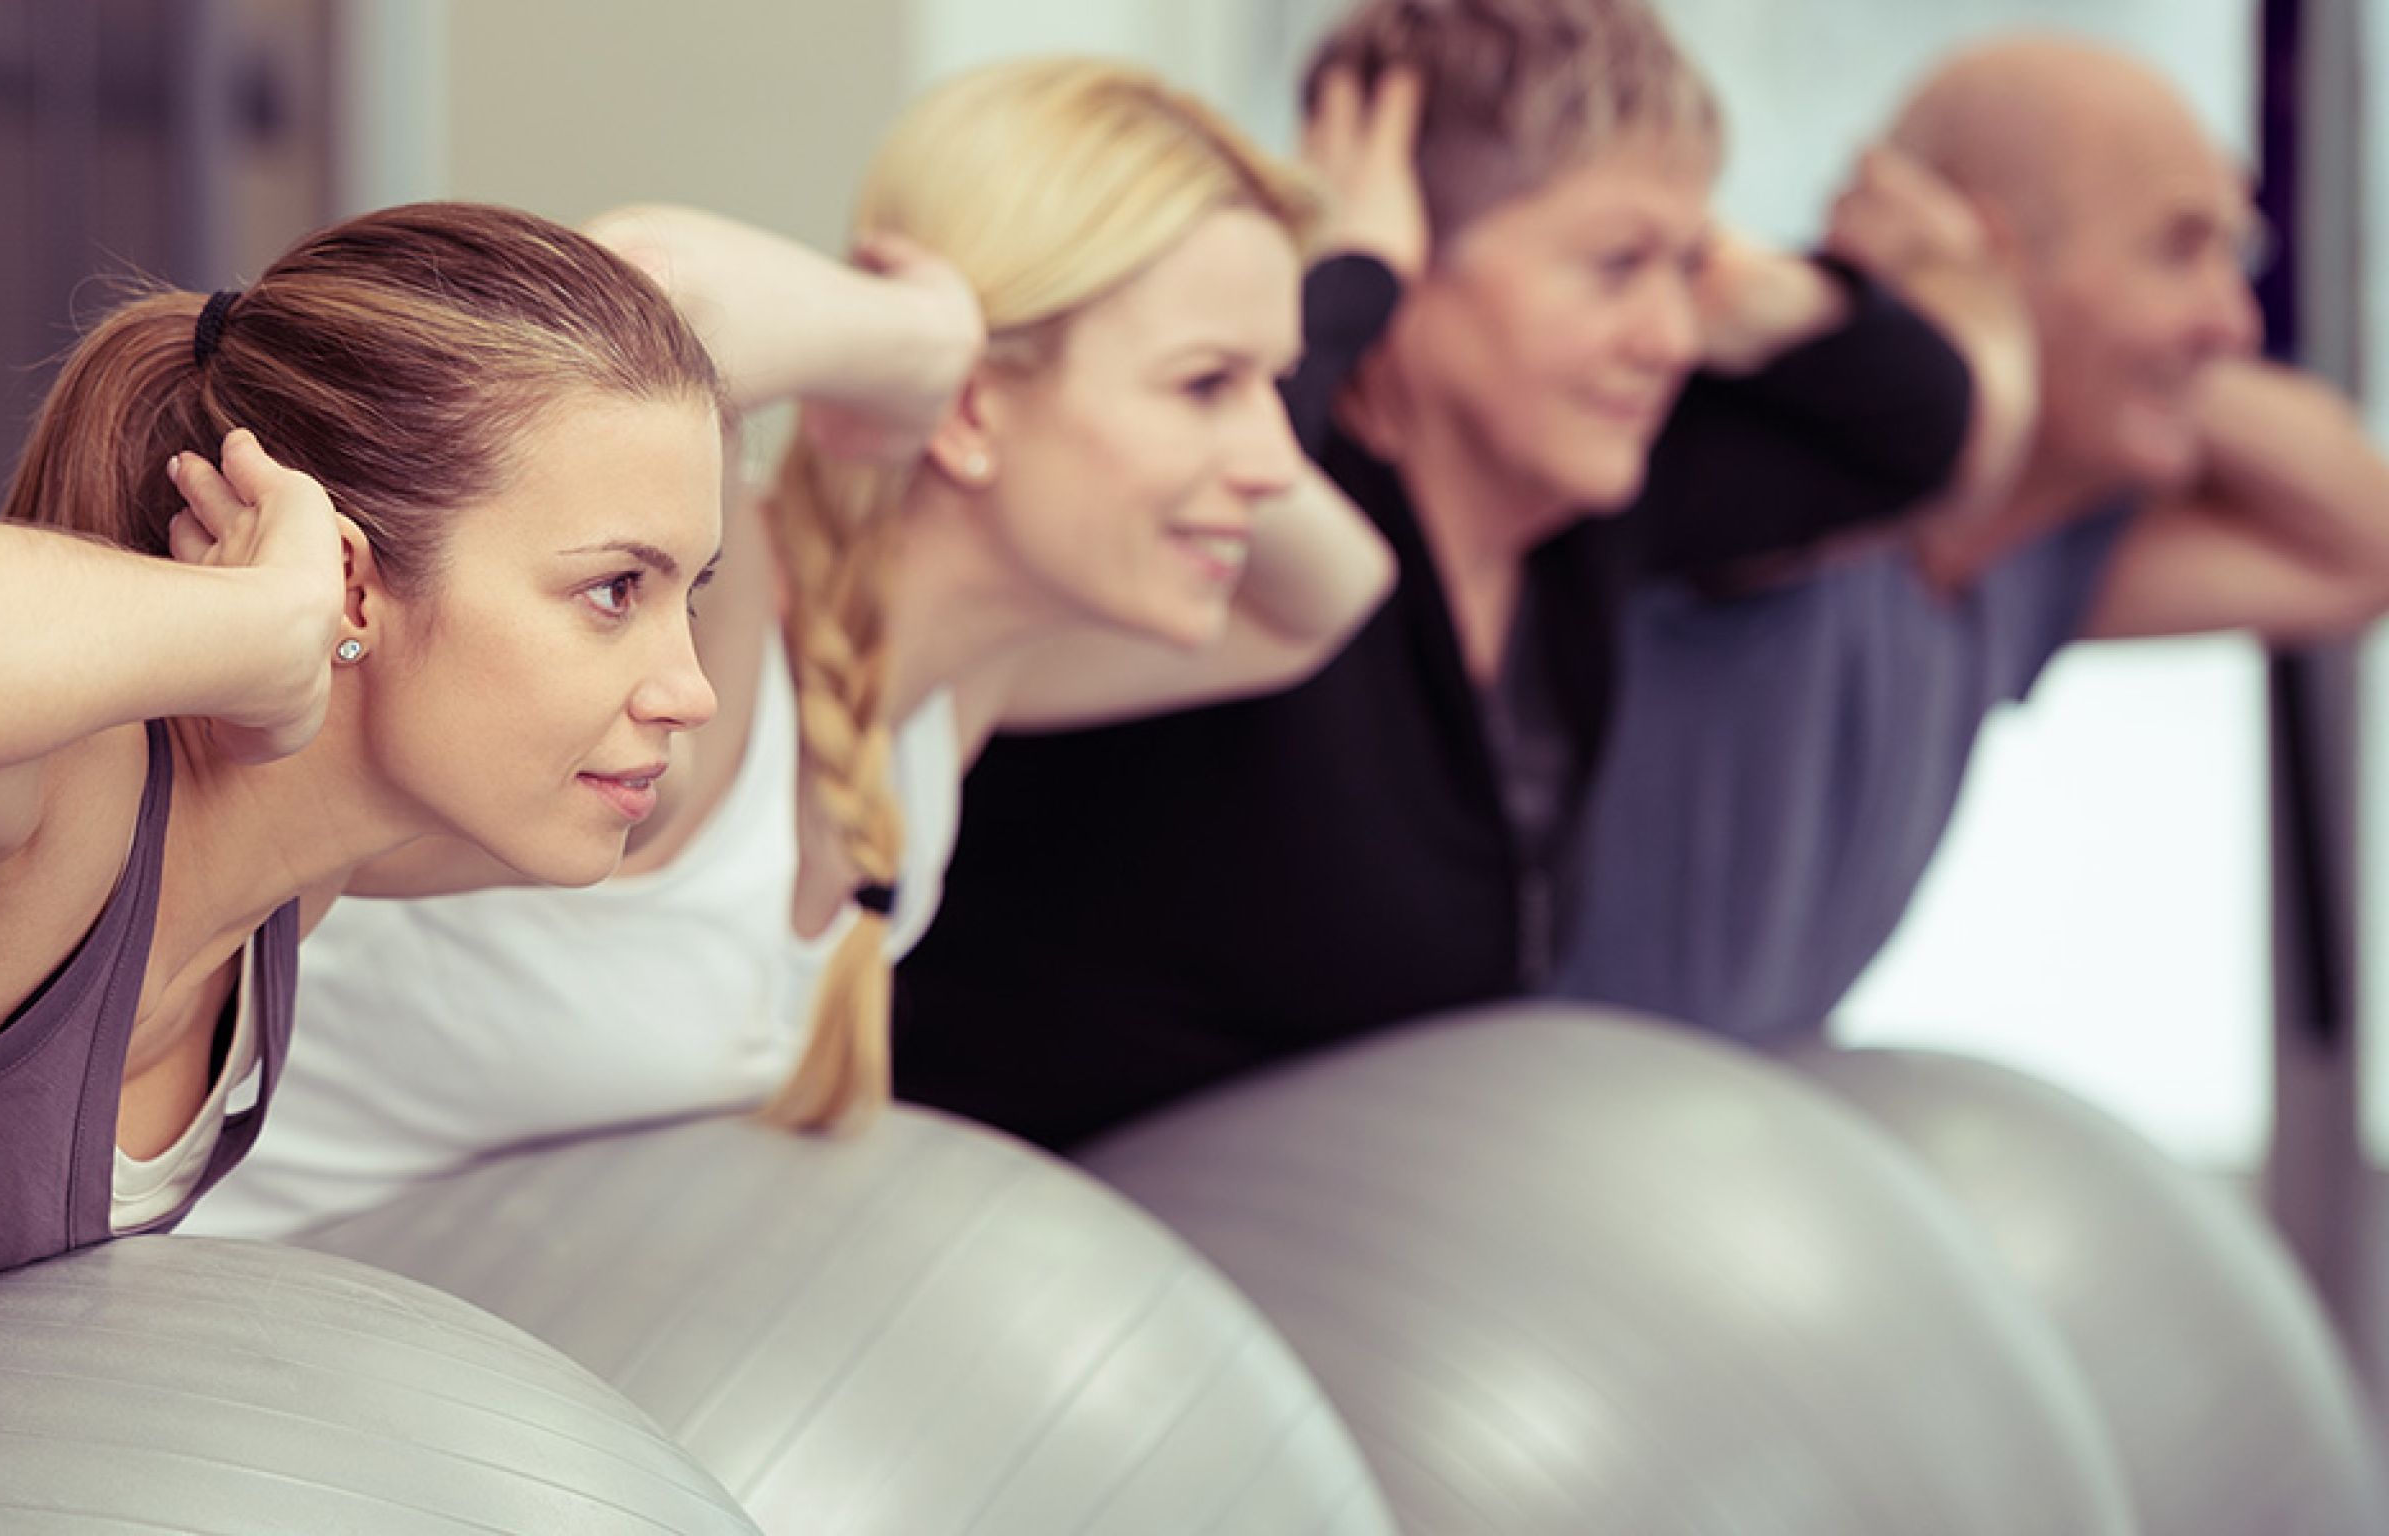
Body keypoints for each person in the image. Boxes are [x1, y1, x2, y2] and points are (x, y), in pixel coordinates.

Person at [186, 56, 1399, 1239]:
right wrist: (929, 337)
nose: (1270, 460)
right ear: (974, 408)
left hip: (394, 1346)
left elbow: (1332, 594)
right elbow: (637, 299)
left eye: (1271, 386)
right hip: (162, 1320)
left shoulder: (952, 685)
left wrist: (1329, 290)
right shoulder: (701, 620)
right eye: (1206, 386)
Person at [895, 0, 2007, 1151]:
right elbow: (1194, 454)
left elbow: (1919, 431)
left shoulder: (1588, 517)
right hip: (1029, 1233)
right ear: (1414, 264)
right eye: (1617, 264)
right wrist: (1346, 272)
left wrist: (1774, 288)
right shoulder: (1243, 527)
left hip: (1337, 1258)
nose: (1670, 335)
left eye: (1686, 268)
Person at [0, 202, 726, 1311]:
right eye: (612, 591)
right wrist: (260, 624)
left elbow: (674, 801)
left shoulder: (320, 856)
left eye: (694, 591)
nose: (692, 690)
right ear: (351, 583)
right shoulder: (70, 791)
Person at [1546, 34, 2389, 1038]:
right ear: (1995, 256)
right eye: (2178, 250)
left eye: (2231, 256)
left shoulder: (2022, 559)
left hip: (1698, 1151)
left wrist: (2102, 341)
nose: (2232, 323)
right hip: (1502, 1142)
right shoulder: (1776, 478)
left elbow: (2358, 550)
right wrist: (1965, 319)